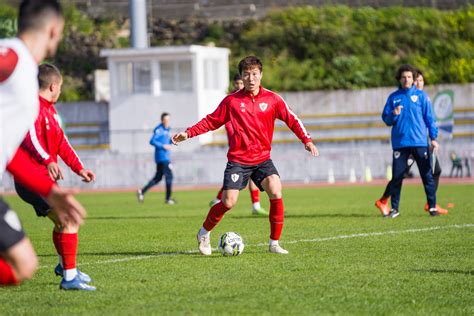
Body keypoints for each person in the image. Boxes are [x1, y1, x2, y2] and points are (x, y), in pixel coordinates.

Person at [172, 56, 319, 255]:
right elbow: (211, 121)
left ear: (261, 75)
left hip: (262, 159)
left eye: (254, 74)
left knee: (276, 189)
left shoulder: (273, 99)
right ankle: (204, 233)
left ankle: (274, 243)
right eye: (246, 74)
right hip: (238, 161)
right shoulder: (231, 101)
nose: (251, 78)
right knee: (228, 202)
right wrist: (188, 133)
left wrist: (306, 140)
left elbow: (292, 119)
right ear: (241, 76)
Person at [0, 0, 87, 287]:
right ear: (54, 29)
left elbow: (8, 152)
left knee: (24, 265)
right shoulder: (13, 57)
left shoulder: (27, 78)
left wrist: (49, 188)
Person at [14, 63, 96, 291]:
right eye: (60, 87)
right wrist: (47, 160)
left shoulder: (51, 111)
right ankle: (69, 277)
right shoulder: (32, 108)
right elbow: (29, 138)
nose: (60, 91)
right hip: (31, 178)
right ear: (53, 86)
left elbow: (62, 143)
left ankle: (65, 268)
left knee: (63, 221)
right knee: (69, 219)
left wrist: (79, 168)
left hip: (43, 179)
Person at [375, 69, 448, 215]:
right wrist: (393, 115)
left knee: (427, 175)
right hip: (400, 144)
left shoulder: (422, 97)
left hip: (420, 143)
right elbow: (386, 119)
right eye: (403, 77)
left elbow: (430, 119)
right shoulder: (393, 98)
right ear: (399, 79)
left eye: (409, 77)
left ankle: (432, 206)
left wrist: (433, 138)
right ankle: (394, 209)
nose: (406, 79)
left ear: (413, 79)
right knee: (397, 177)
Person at [209, 74, 268, 215]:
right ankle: (220, 200)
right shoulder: (231, 100)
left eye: (241, 83)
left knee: (244, 177)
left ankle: (255, 206)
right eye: (237, 83)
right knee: (236, 178)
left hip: (253, 147)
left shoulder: (254, 98)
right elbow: (226, 123)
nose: (239, 86)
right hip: (238, 148)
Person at [137, 112, 176, 205]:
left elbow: (167, 141)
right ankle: (168, 199)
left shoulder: (167, 130)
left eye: (168, 120)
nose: (167, 121)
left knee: (158, 178)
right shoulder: (159, 129)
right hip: (162, 158)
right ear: (162, 120)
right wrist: (163, 146)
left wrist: (172, 140)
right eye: (166, 120)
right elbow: (152, 141)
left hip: (164, 157)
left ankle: (142, 192)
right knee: (169, 176)